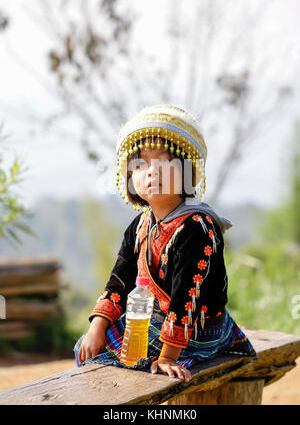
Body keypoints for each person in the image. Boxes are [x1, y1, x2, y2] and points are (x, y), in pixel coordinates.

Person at [74, 105, 257, 382]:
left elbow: (187, 298)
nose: (152, 172)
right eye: (141, 164)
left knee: (116, 363)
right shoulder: (140, 226)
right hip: (154, 321)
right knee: (86, 347)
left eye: (164, 163)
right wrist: (98, 327)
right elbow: (119, 281)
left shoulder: (197, 227)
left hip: (198, 331)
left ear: (186, 171)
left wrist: (168, 358)